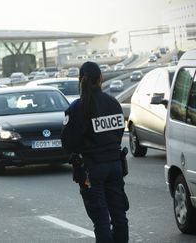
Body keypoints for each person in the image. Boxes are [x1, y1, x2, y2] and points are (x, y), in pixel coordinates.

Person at [61, 61, 129, 243]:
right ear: (100, 79)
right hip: (115, 166)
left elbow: (68, 143)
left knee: (101, 221)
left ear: (80, 80)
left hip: (91, 169)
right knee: (119, 217)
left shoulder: (77, 108)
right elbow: (119, 131)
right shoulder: (114, 103)